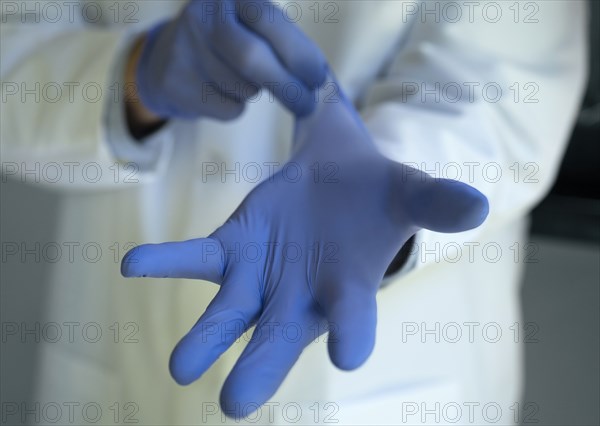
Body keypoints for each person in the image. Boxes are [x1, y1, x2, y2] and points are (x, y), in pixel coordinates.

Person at [1, 1, 587, 424]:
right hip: (122, 364)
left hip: (380, 385)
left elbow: (506, 77)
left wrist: (381, 195)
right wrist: (135, 72)